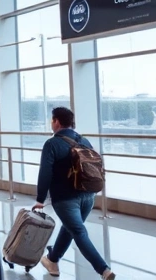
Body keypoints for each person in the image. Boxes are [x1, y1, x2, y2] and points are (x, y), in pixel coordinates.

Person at [36, 107, 115, 280]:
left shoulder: (52, 144)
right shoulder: (84, 141)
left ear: (56, 121)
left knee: (78, 231)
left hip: (65, 198)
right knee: (70, 227)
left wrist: (40, 199)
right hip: (88, 196)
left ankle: (104, 270)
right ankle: (52, 260)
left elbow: (45, 173)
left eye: (52, 120)